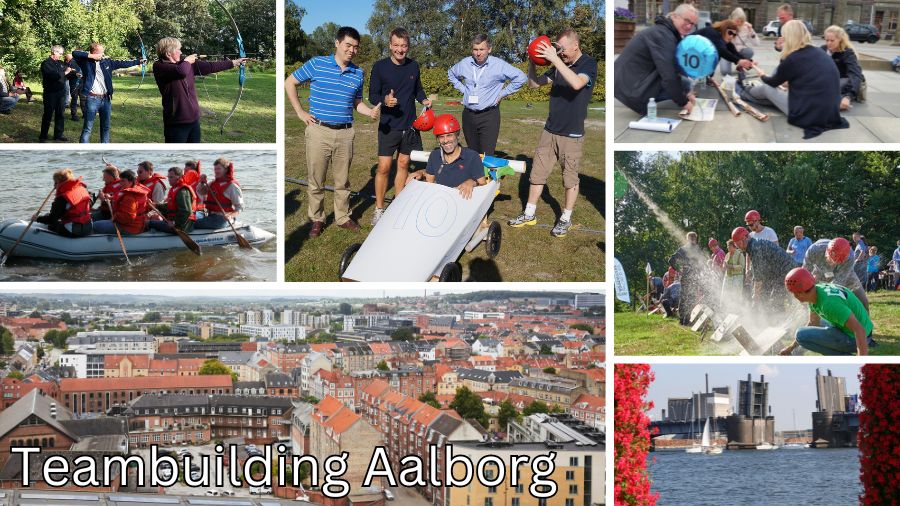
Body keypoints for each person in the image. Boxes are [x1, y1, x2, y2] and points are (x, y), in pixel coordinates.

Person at [285, 26, 381, 238]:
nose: (352, 50)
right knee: (316, 180)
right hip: (318, 131)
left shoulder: (358, 73)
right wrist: (300, 112)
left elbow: (357, 102)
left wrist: (369, 112)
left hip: (345, 134)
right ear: (337, 43)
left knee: (343, 181)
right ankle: (317, 219)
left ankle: (343, 217)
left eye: (355, 47)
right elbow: (289, 82)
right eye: (348, 45)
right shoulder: (317, 64)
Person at [508, 28, 597, 238]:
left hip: (572, 135)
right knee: (537, 174)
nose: (560, 53)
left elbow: (577, 83)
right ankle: (529, 213)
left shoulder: (588, 64)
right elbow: (533, 84)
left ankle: (565, 218)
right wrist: (533, 60)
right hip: (550, 130)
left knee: (570, 179)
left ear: (575, 45)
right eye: (558, 49)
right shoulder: (560, 64)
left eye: (562, 49)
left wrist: (554, 59)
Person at [740, 20, 848, 139]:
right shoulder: (819, 51)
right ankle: (757, 94)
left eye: (784, 36)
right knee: (776, 78)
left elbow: (772, 82)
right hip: (829, 110)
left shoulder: (794, 58)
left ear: (789, 37)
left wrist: (762, 75)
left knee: (766, 88)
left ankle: (745, 91)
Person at [369, 27, 432, 224]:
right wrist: (385, 100)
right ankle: (379, 209)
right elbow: (372, 95)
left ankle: (398, 204)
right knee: (384, 167)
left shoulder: (414, 66)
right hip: (388, 126)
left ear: (408, 46)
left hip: (410, 126)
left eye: (403, 46)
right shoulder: (380, 67)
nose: (399, 49)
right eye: (396, 45)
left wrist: (424, 100)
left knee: (403, 164)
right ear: (390, 45)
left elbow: (418, 90)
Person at [152, 37, 248, 143]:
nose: (181, 52)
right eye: (178, 49)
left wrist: (233, 63)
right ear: (169, 53)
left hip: (194, 120)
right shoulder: (159, 66)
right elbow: (181, 71)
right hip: (176, 122)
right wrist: (188, 61)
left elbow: (210, 66)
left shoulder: (185, 64)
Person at [448, 33, 526, 156]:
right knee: (472, 154)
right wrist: (464, 90)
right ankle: (474, 175)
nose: (478, 53)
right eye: (475, 49)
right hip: (468, 114)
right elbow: (451, 74)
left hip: (489, 115)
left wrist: (502, 93)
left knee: (487, 154)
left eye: (481, 49)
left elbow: (521, 77)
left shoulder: (499, 65)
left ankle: (486, 175)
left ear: (489, 49)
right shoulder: (465, 63)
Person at [614, 3, 698, 116]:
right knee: (680, 83)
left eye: (692, 24)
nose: (689, 26)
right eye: (687, 21)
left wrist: (687, 93)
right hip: (630, 89)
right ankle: (643, 101)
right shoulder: (663, 35)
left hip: (631, 81)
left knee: (685, 84)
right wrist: (684, 102)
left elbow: (676, 67)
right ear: (674, 16)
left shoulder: (667, 32)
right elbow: (669, 74)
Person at [780, 267, 874, 356]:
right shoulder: (816, 291)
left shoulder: (829, 305)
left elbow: (859, 330)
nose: (794, 296)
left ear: (799, 293)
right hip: (861, 330)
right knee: (808, 328)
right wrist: (790, 348)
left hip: (859, 338)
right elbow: (813, 322)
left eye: (794, 293)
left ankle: (845, 359)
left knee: (801, 335)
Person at [72, 42, 143, 143]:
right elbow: (75, 53)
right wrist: (92, 56)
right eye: (101, 52)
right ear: (94, 52)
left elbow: (122, 63)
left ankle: (104, 150)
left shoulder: (106, 62)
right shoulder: (85, 62)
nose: (103, 54)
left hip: (106, 99)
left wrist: (138, 61)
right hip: (92, 99)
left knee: (105, 128)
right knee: (88, 128)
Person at [407, 114, 487, 199]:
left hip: (464, 202)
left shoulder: (472, 156)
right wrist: (421, 173)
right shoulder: (434, 156)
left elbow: (483, 185)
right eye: (441, 137)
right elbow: (429, 183)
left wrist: (472, 182)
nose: (445, 141)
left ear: (457, 135)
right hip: (440, 202)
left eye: (449, 135)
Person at [732, 226, 798, 307]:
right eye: (736, 244)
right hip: (780, 272)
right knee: (766, 297)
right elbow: (762, 274)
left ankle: (777, 317)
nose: (738, 247)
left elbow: (759, 276)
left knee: (775, 301)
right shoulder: (753, 245)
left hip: (787, 271)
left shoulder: (755, 248)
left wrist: (755, 297)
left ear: (744, 239)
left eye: (738, 244)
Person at [802, 237, 869, 312]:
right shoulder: (814, 250)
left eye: (839, 261)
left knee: (863, 301)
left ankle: (865, 322)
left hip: (845, 274)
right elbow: (805, 272)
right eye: (833, 260)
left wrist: (827, 297)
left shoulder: (850, 257)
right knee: (809, 298)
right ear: (827, 252)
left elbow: (837, 284)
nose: (835, 263)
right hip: (819, 273)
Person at [35, 169, 92, 237]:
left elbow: (51, 220)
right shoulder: (82, 189)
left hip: (73, 231)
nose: (54, 186)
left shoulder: (62, 198)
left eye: (55, 183)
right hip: (88, 227)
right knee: (53, 216)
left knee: (51, 225)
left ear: (61, 182)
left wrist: (37, 219)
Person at [92, 170, 150, 235]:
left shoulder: (130, 197)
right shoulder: (129, 191)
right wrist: (110, 198)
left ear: (131, 181)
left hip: (129, 227)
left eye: (123, 181)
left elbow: (128, 217)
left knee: (95, 225)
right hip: (132, 224)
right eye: (120, 181)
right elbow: (120, 201)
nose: (120, 183)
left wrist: (114, 217)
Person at [822, 26, 865, 111]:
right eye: (827, 40)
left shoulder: (848, 53)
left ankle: (841, 99)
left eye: (832, 40)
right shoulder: (822, 50)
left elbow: (855, 75)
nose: (829, 43)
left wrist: (848, 96)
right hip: (829, 81)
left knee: (837, 84)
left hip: (846, 81)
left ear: (840, 40)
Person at [148, 167, 200, 234]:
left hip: (182, 227)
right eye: (168, 177)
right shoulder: (175, 189)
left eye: (171, 177)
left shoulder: (182, 191)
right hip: (176, 223)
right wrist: (156, 205)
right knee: (154, 219)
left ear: (178, 177)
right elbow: (171, 206)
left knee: (149, 223)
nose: (169, 179)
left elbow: (186, 211)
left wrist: (174, 223)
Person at [196, 158, 243, 229]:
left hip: (222, 219)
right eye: (215, 169)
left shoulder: (232, 186)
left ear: (226, 170)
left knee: (192, 223)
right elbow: (201, 192)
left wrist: (230, 216)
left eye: (218, 169)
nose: (216, 171)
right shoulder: (213, 183)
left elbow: (240, 208)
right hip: (210, 215)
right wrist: (202, 182)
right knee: (189, 217)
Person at [667, 232, 703, 325]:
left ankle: (684, 320)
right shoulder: (687, 249)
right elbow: (671, 260)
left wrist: (679, 269)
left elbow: (671, 260)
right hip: (690, 275)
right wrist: (679, 269)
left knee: (686, 297)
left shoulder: (686, 249)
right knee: (687, 298)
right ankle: (684, 320)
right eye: (692, 238)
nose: (693, 240)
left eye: (694, 238)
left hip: (690, 275)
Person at [39, 45, 73, 142]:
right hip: (50, 93)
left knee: (60, 114)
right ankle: (43, 136)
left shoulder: (60, 63)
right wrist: (65, 72)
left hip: (61, 93)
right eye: (60, 54)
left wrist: (75, 73)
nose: (61, 56)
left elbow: (68, 71)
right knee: (48, 114)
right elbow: (54, 75)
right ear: (54, 52)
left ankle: (58, 135)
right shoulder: (46, 63)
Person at [728, 8, 759, 76]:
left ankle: (740, 66)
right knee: (725, 71)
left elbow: (756, 43)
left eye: (742, 21)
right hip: (728, 51)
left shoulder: (746, 27)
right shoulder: (728, 26)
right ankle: (738, 62)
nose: (739, 23)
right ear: (732, 19)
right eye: (737, 21)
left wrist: (751, 31)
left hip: (740, 50)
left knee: (749, 51)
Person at [64, 55, 82, 120]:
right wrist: (75, 74)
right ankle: (74, 115)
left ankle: (85, 114)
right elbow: (67, 74)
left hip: (81, 83)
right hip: (74, 84)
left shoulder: (80, 62)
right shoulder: (68, 64)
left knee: (83, 99)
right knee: (74, 99)